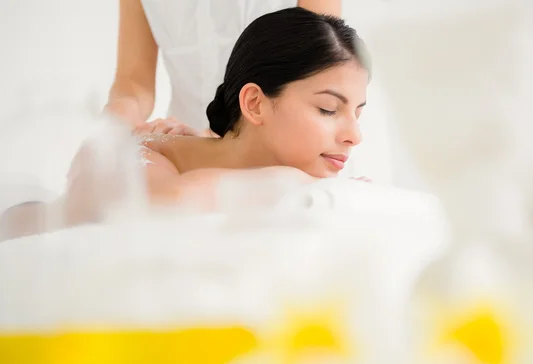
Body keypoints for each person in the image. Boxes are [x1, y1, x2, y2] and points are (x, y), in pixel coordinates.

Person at [0, 7, 370, 241]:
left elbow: (329, 56)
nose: (356, 137)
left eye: (358, 112)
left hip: (244, 136)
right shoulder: (149, 162)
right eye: (327, 109)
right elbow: (133, 85)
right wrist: (104, 142)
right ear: (254, 103)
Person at [105, 0, 342, 136]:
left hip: (282, 158)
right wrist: (114, 128)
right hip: (181, 155)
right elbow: (134, 82)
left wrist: (213, 144)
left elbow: (319, 80)